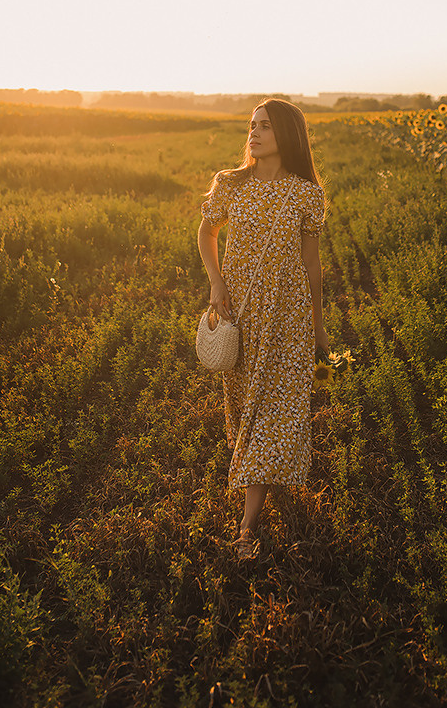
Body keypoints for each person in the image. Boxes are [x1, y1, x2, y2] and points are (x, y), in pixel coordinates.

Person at [197, 98, 329, 557]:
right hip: (242, 311)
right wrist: (216, 282)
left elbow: (311, 265)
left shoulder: (306, 194)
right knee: (245, 408)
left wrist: (318, 326)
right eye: (252, 125)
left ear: (287, 135)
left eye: (266, 126)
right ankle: (268, 471)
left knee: (274, 408)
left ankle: (246, 529)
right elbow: (207, 233)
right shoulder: (230, 184)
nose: (254, 133)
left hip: (288, 317)